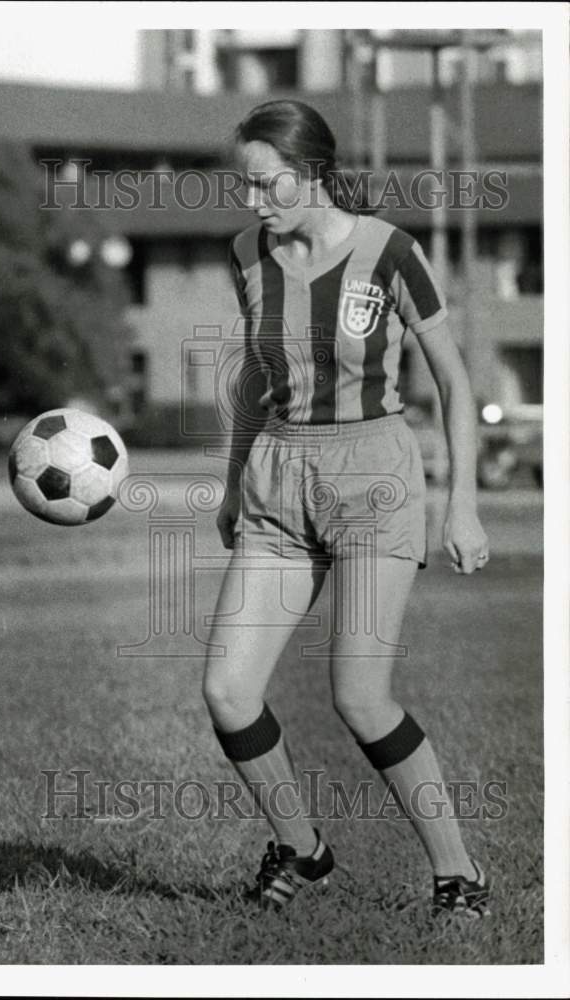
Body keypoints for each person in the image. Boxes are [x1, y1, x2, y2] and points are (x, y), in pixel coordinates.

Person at [203, 99, 491, 916]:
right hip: (276, 484)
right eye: (247, 186)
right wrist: (234, 482)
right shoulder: (245, 253)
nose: (254, 202)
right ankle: (305, 852)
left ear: (314, 172)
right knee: (228, 690)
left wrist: (461, 505)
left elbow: (455, 380)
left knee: (359, 697)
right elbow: (258, 379)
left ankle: (459, 874)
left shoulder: (392, 252)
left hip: (375, 480)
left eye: (268, 185)